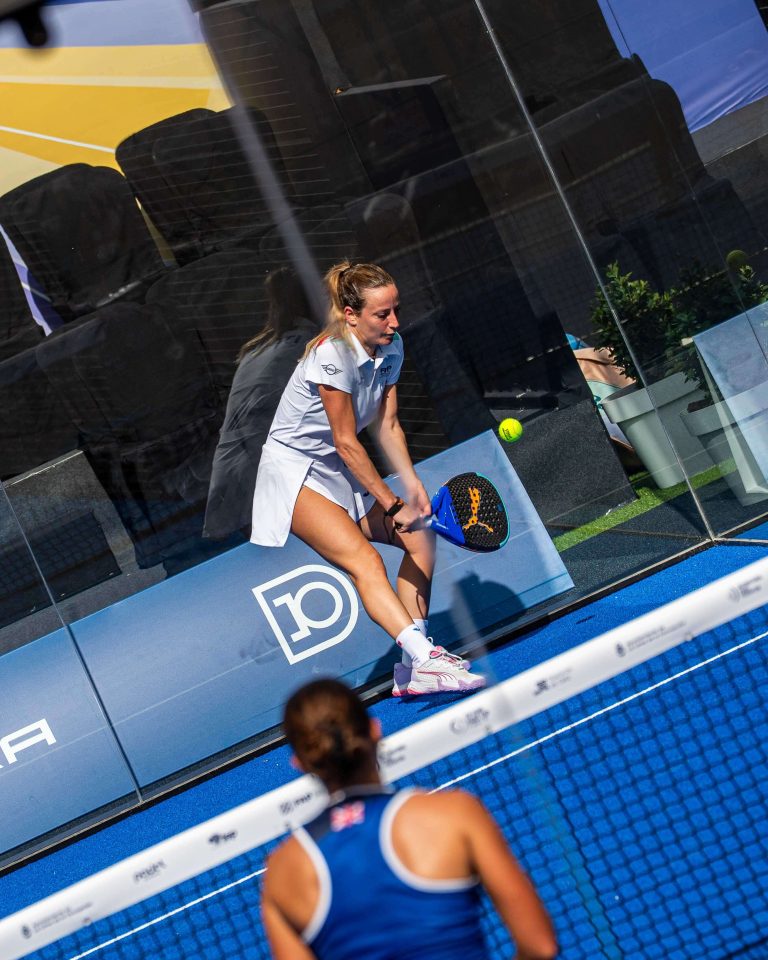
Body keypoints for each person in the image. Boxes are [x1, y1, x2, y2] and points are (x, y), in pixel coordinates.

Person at [250, 260, 484, 695]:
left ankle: (413, 667)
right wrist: (391, 504)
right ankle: (428, 659)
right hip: (294, 472)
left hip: (338, 466)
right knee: (366, 562)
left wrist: (411, 484)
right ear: (351, 315)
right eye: (382, 314)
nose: (394, 322)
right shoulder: (331, 354)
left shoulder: (392, 347)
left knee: (420, 538)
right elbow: (346, 441)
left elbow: (388, 425)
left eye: (396, 310)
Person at [261, 678, 558, 960]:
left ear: (300, 763)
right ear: (375, 730)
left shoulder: (282, 873)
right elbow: (539, 946)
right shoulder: (456, 813)